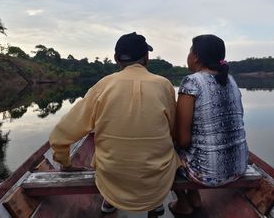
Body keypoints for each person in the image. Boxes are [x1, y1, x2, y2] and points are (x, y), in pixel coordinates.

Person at [49, 32, 181, 215]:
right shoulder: (164, 85)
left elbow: (60, 135)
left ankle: (110, 199)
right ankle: (155, 201)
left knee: (102, 156)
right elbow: (174, 132)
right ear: (146, 58)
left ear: (116, 59)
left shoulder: (103, 85)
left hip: (112, 178)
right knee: (173, 153)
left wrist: (65, 162)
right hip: (156, 182)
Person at [169, 34, 249, 215]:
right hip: (239, 167)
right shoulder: (231, 80)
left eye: (190, 51)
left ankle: (183, 202)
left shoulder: (192, 82)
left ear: (196, 56)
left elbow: (182, 141)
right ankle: (195, 196)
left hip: (207, 173)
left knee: (163, 152)